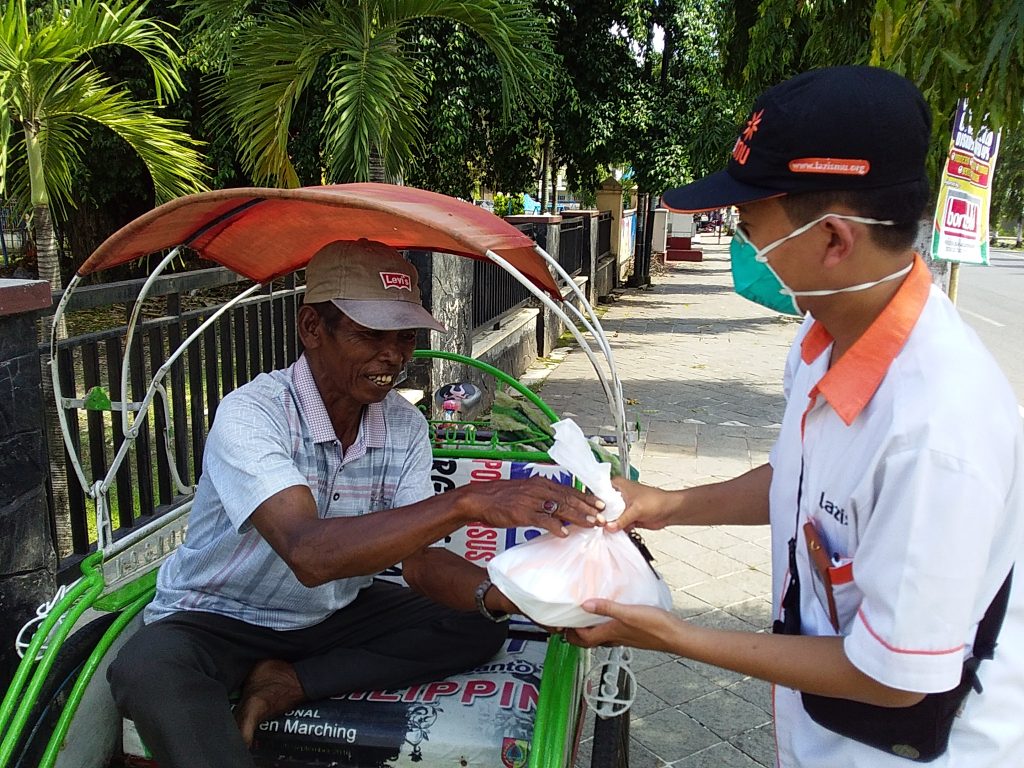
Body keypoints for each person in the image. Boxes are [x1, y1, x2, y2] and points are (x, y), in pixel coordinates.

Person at [568, 66, 1024, 767]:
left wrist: (674, 636)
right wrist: (663, 505)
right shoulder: (823, 342)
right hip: (820, 738)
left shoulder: (936, 431)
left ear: (835, 241)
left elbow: (894, 677)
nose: (746, 248)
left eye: (751, 229)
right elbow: (803, 479)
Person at [108, 239, 604, 768]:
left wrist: (511, 596)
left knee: (476, 619)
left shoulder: (405, 425)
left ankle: (287, 682)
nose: (392, 356)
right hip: (217, 618)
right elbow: (308, 553)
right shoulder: (252, 413)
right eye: (370, 335)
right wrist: (470, 501)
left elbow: (421, 564)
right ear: (312, 329)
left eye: (405, 337)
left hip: (330, 618)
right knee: (148, 668)